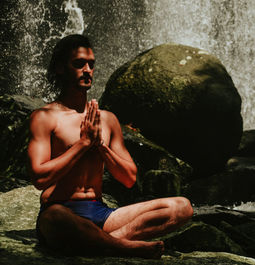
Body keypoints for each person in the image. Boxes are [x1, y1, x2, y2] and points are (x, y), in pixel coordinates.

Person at [27, 34, 193, 259]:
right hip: (63, 209)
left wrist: (101, 147)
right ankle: (124, 247)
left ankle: (106, 242)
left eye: (91, 64)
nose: (87, 70)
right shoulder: (45, 117)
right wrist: (83, 143)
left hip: (101, 213)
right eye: (79, 64)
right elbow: (39, 178)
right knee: (53, 217)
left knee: (181, 207)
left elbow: (129, 179)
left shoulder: (106, 120)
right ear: (59, 68)